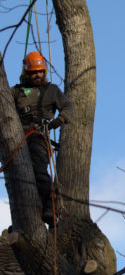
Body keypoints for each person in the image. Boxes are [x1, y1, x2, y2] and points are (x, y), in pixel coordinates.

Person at [10, 51, 74, 226]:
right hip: (17, 137)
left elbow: (68, 108)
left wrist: (56, 122)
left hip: (38, 136)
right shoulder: (16, 91)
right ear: (26, 73)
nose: (37, 75)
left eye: (40, 71)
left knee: (38, 171)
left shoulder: (51, 90)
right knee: (17, 179)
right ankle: (25, 218)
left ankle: (52, 205)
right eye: (33, 72)